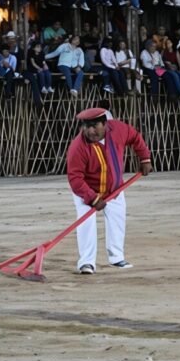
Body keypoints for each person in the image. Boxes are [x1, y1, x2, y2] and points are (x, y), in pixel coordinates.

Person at [66, 107, 153, 274]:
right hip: (87, 191)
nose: (90, 131)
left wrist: (145, 158)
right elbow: (75, 179)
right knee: (86, 223)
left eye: (95, 126)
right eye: (86, 127)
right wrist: (92, 198)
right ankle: (86, 262)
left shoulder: (118, 129)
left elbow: (135, 137)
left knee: (117, 220)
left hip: (114, 188)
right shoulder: (77, 147)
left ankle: (116, 257)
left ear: (105, 124)